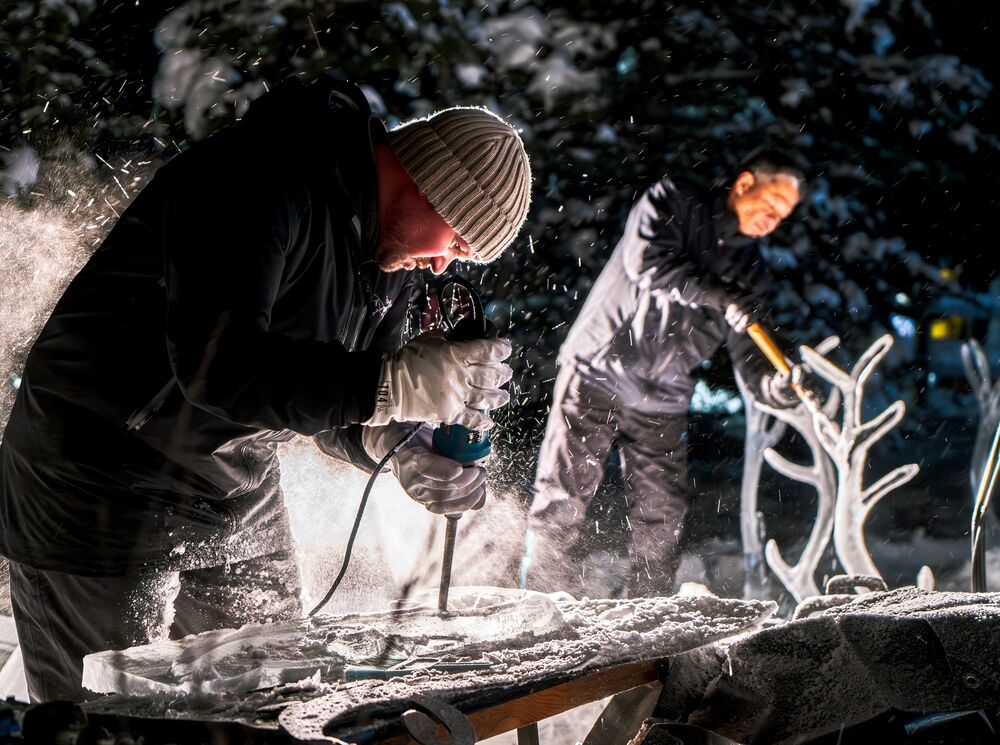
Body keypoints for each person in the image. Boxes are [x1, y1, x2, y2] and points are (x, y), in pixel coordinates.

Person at [0, 76, 531, 702]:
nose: (444, 265)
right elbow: (221, 368)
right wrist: (388, 387)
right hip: (98, 480)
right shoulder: (262, 178)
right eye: (457, 241)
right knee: (116, 718)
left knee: (270, 702)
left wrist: (398, 442)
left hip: (234, 485)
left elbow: (338, 393)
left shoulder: (386, 256)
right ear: (431, 186)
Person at [523, 153, 805, 598]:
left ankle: (646, 615)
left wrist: (776, 385)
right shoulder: (675, 201)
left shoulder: (750, 271)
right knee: (563, 497)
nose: (773, 219)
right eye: (772, 203)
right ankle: (537, 604)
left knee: (662, 516)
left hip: (664, 396)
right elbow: (650, 265)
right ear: (745, 183)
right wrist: (721, 296)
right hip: (599, 368)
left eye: (783, 215)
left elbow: (751, 351)